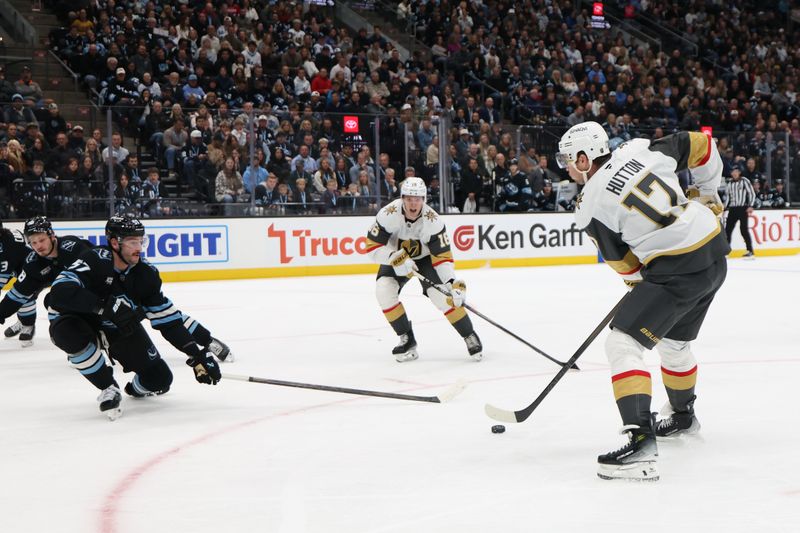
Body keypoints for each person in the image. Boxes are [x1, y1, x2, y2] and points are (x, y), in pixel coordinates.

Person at [556, 122, 729, 481]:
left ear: (585, 158)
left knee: (622, 342)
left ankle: (639, 444)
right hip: (713, 253)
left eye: (569, 160)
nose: (567, 168)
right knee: (674, 343)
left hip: (676, 269)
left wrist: (642, 285)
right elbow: (701, 144)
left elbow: (624, 265)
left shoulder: (589, 205)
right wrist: (710, 195)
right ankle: (683, 417)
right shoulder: (641, 150)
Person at [46, 214, 232, 420]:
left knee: (160, 379)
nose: (139, 247)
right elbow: (60, 291)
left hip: (119, 329)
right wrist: (105, 307)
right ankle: (108, 387)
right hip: (82, 321)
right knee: (65, 333)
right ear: (115, 243)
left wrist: (196, 354)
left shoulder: (146, 275)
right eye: (133, 242)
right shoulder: (95, 258)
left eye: (141, 241)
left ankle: (131, 389)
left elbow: (169, 321)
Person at [365, 177, 482, 363]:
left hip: (425, 260)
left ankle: (469, 334)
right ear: (402, 198)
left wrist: (451, 284)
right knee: (384, 290)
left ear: (424, 199)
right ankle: (407, 338)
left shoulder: (433, 221)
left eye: (418, 198)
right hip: (396, 257)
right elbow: (371, 247)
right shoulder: (388, 214)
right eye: (409, 198)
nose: (413, 203)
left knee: (442, 296)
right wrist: (393, 257)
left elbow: (443, 258)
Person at [0, 217, 94, 347]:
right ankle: (82, 344)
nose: (38, 246)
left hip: (102, 293)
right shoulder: (33, 264)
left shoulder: (73, 247)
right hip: (79, 299)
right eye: (33, 243)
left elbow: (101, 271)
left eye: (42, 240)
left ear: (52, 235)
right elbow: (16, 296)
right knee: (51, 301)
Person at [0, 220, 38, 347]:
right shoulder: (4, 238)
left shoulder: (6, 248)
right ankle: (22, 322)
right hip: (16, 265)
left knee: (23, 294)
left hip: (35, 266)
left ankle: (28, 325)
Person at [723, 167, 756, 258]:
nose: (734, 173)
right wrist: (724, 207)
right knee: (727, 230)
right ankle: (726, 251)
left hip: (742, 208)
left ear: (739, 172)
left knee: (744, 230)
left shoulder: (744, 181)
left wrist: (751, 205)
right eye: (732, 172)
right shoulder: (729, 183)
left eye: (736, 172)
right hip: (733, 209)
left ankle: (750, 250)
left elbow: (751, 193)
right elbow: (728, 197)